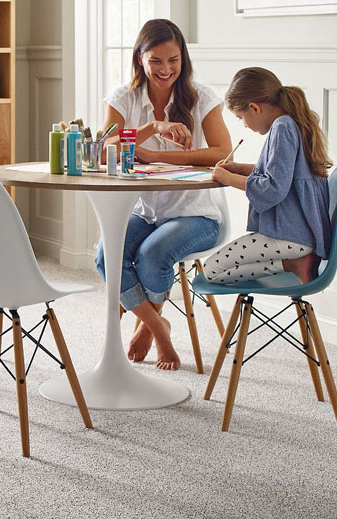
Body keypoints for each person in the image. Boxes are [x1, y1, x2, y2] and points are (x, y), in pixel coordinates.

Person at [94, 19, 232, 371]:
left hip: (195, 213)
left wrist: (156, 155)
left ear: (182, 59)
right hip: (144, 209)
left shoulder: (201, 97)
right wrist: (153, 128)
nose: (166, 69)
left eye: (173, 60)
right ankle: (158, 327)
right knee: (104, 256)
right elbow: (103, 146)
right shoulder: (124, 97)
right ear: (140, 58)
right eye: (156, 60)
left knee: (152, 255)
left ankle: (146, 323)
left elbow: (221, 152)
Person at [205, 67, 332, 285]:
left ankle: (291, 264)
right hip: (300, 233)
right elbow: (283, 172)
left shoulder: (282, 128)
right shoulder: (291, 122)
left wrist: (226, 178)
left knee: (211, 269)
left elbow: (273, 188)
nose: (244, 124)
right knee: (218, 267)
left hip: (291, 237)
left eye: (240, 118)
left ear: (254, 108)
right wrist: (239, 169)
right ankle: (291, 263)